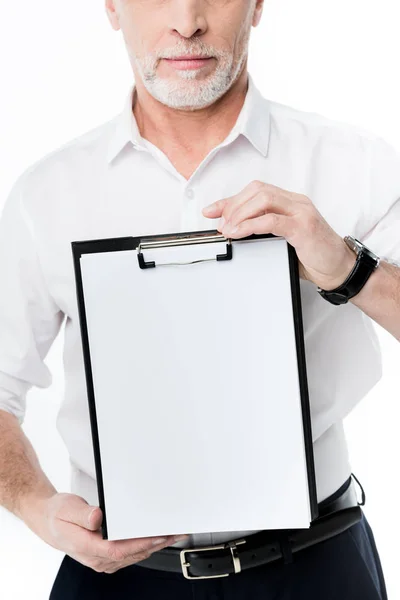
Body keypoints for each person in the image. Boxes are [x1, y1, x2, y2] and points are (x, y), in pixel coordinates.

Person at [0, 0, 399, 598]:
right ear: (112, 6)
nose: (187, 21)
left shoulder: (356, 164)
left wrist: (344, 265)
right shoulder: (47, 194)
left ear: (259, 4)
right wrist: (35, 506)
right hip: (116, 578)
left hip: (317, 565)